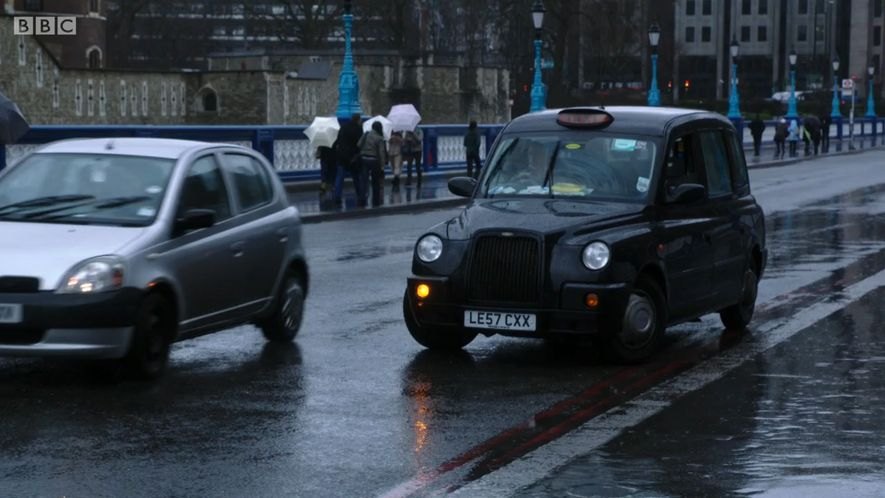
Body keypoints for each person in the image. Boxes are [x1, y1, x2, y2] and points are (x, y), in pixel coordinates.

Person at [333, 113, 365, 206]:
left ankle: (337, 196)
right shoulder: (359, 129)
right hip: (353, 157)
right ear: (358, 120)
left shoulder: (343, 127)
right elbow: (360, 143)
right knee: (356, 178)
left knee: (340, 178)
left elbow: (338, 140)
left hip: (342, 156)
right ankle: (360, 195)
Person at [357, 121, 388, 207]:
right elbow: (381, 153)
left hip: (363, 159)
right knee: (375, 182)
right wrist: (382, 166)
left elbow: (359, 144)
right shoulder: (379, 138)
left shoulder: (366, 134)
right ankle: (375, 200)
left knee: (363, 181)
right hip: (374, 160)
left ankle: (362, 200)